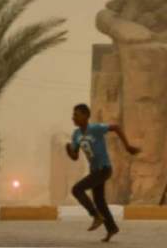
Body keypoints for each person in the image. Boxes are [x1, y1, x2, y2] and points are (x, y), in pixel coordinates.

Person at [66, 103, 140, 242]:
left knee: (77, 189)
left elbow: (116, 127)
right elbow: (75, 157)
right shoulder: (76, 134)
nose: (73, 117)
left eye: (76, 114)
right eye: (73, 115)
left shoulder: (95, 129)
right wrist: (69, 150)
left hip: (104, 169)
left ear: (86, 116)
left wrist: (127, 146)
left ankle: (95, 216)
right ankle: (112, 228)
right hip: (95, 170)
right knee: (99, 201)